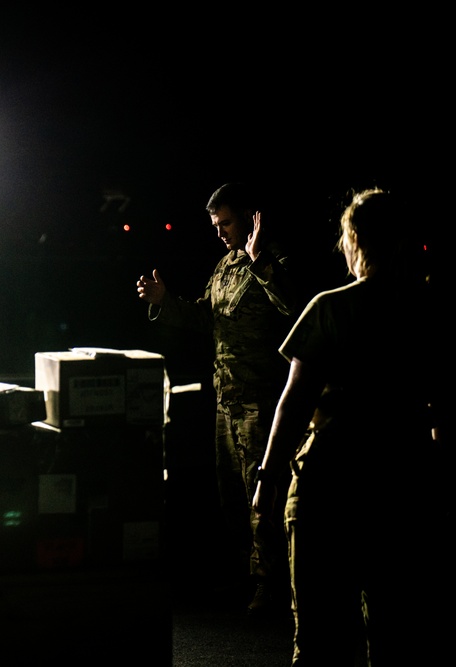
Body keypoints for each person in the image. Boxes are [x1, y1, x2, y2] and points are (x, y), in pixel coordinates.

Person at [252, 188, 443, 664]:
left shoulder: (331, 308)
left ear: (354, 239)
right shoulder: (428, 308)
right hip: (404, 481)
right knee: (399, 633)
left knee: (320, 639)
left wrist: (268, 478)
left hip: (330, 482)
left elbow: (295, 402)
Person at [136, 182, 299, 614]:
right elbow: (205, 316)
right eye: (215, 225)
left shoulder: (273, 259)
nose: (220, 232)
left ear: (248, 217)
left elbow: (293, 305)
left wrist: (259, 259)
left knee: (263, 495)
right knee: (231, 496)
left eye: (225, 223)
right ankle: (248, 575)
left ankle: (273, 584)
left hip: (260, 400)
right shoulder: (225, 266)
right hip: (227, 400)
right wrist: (165, 302)